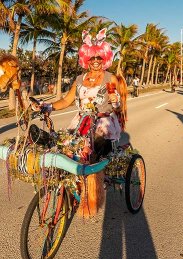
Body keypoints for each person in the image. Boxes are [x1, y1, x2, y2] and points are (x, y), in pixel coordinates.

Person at [30, 28, 127, 217]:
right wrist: (47, 106)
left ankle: (91, 195)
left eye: (100, 58)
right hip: (81, 122)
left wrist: (116, 103)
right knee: (65, 148)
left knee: (89, 154)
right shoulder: (79, 79)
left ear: (105, 58)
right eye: (93, 58)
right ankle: (69, 184)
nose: (96, 61)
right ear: (86, 59)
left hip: (103, 123)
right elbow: (66, 101)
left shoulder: (110, 78)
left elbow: (118, 106)